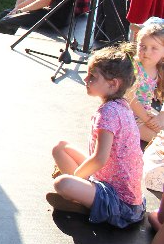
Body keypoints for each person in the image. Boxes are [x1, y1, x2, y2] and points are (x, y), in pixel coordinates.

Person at [49, 44, 145, 228]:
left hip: (120, 203)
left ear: (113, 84)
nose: (86, 79)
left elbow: (100, 158)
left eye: (92, 76)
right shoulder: (121, 105)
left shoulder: (109, 112)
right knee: (60, 148)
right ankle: (82, 194)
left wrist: (77, 176)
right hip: (107, 178)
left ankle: (82, 201)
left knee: (63, 183)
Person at [128, 22, 164, 142]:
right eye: (142, 46)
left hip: (145, 114)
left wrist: (161, 116)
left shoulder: (159, 69)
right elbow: (129, 96)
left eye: (154, 48)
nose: (147, 52)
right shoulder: (133, 67)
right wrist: (147, 119)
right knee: (158, 140)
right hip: (127, 115)